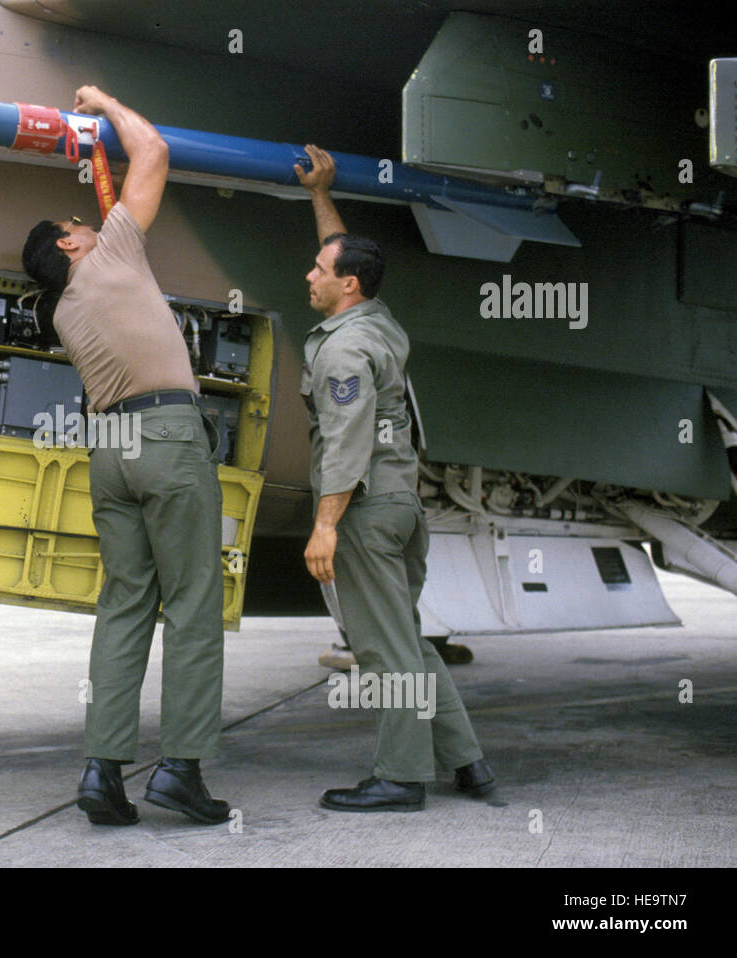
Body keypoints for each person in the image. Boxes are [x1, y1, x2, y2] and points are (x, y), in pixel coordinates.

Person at [21, 86, 231, 826]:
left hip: (108, 452)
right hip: (168, 439)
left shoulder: (62, 312)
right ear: (72, 245)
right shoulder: (110, 254)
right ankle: (179, 769)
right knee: (196, 605)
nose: (88, 221)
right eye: (76, 222)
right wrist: (102, 99)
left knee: (124, 606)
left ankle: (102, 772)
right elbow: (155, 151)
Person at [294, 144, 495, 811]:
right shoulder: (377, 321)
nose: (309, 275)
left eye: (319, 271)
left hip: (365, 512)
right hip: (401, 506)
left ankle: (402, 777)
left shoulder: (345, 348)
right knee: (407, 638)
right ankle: (467, 762)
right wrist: (322, 195)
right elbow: (341, 253)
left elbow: (347, 441)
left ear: (346, 286)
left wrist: (325, 526)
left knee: (383, 652)